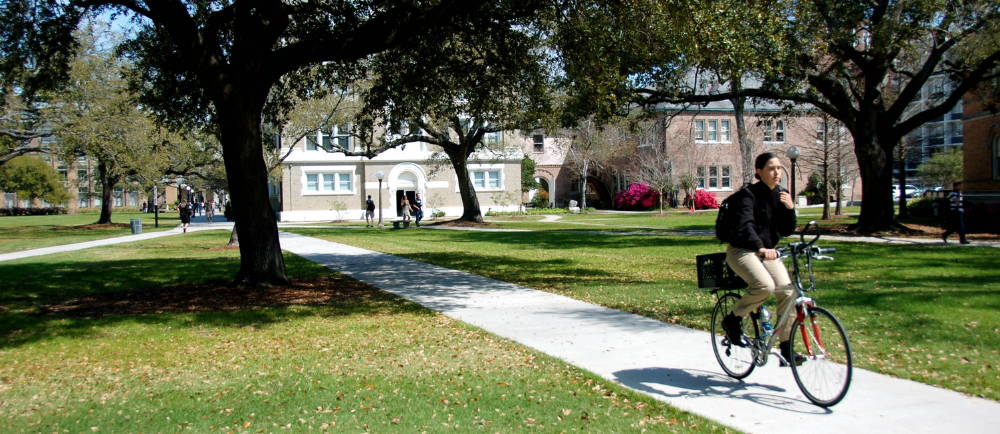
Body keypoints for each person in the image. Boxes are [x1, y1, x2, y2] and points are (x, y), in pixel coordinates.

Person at [721, 152, 804, 367]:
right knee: (765, 286)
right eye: (771, 168)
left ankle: (786, 348)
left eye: (779, 168)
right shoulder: (747, 195)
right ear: (759, 172)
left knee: (787, 291)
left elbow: (785, 230)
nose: (777, 173)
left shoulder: (782, 194)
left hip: (767, 252)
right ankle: (733, 319)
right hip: (742, 251)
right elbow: (745, 226)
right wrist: (760, 247)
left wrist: (790, 209)